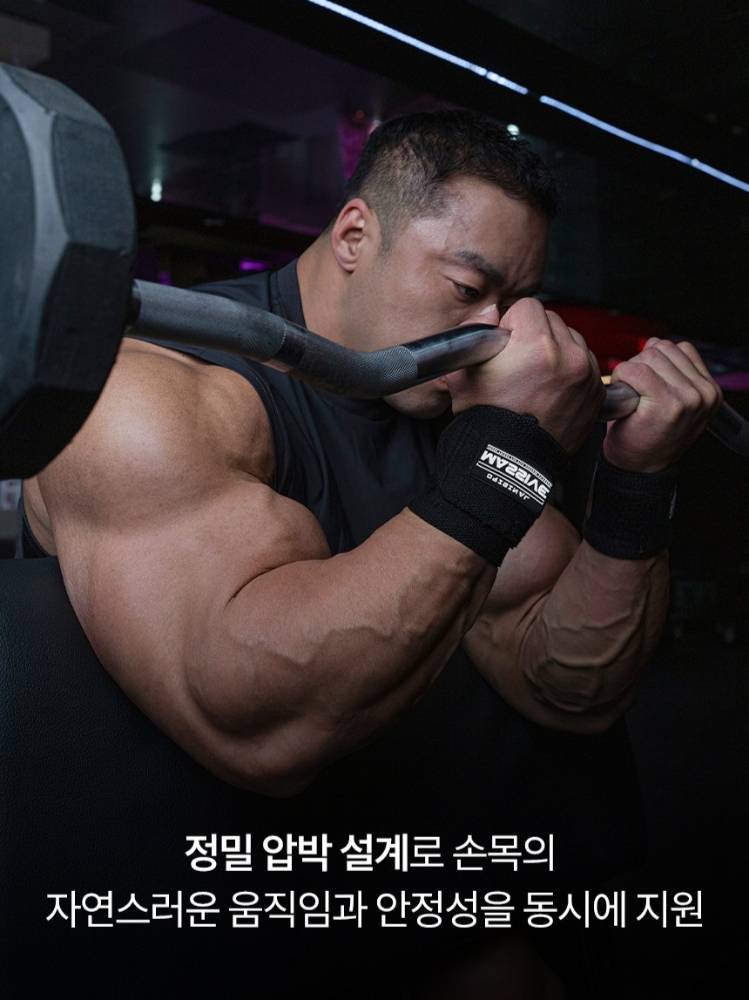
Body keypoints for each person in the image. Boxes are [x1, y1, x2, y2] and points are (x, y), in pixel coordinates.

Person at [17, 110, 721, 996]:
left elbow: (569, 686)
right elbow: (258, 723)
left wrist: (635, 482)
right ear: (355, 235)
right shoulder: (157, 391)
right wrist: (500, 459)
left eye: (514, 304)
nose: (496, 334)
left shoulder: (454, 406)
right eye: (467, 286)